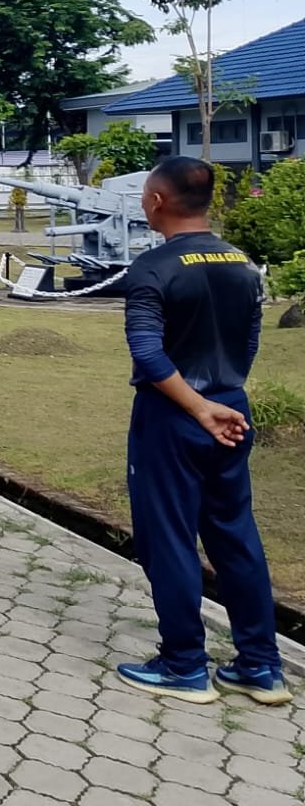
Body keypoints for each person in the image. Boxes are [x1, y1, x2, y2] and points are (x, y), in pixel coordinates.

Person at [114, 157, 292, 706]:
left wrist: (195, 406)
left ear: (159, 201)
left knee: (168, 538)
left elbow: (147, 350)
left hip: (174, 418)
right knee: (235, 534)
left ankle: (183, 665)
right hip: (230, 411)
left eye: (146, 194)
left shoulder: (154, 267)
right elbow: (249, 344)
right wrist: (221, 401)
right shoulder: (243, 264)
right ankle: (261, 666)